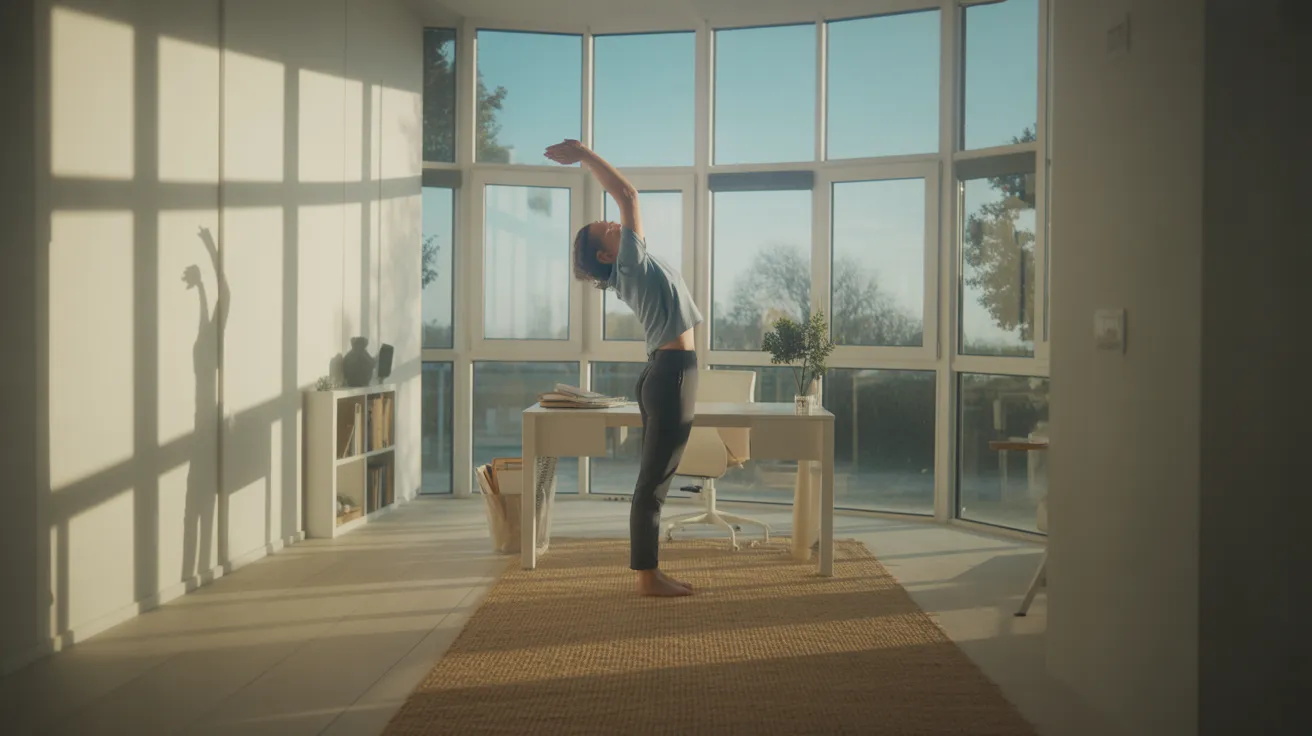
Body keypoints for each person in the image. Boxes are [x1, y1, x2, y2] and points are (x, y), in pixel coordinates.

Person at [545, 139, 701, 597]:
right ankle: (647, 579)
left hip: (669, 371)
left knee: (654, 479)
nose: (614, 222)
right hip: (671, 373)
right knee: (653, 482)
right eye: (606, 229)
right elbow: (628, 195)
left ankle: (649, 573)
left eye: (609, 222)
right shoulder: (630, 267)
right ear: (609, 255)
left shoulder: (636, 263)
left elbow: (626, 204)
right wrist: (585, 155)